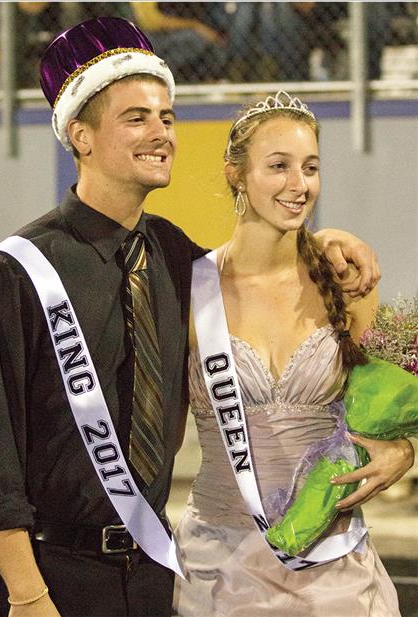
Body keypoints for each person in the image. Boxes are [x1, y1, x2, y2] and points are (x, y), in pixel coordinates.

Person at [0, 16, 394, 617]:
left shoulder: (172, 255)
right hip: (47, 579)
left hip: (154, 577)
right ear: (80, 136)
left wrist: (334, 241)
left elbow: (256, 259)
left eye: (167, 117)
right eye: (136, 118)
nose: (160, 133)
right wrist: (29, 596)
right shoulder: (13, 274)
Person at [173, 91, 414, 617]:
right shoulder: (190, 291)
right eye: (277, 166)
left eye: (310, 168)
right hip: (220, 566)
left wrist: (403, 450)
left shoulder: (348, 280)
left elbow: (379, 413)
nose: (298, 185)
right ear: (236, 174)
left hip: (334, 570)